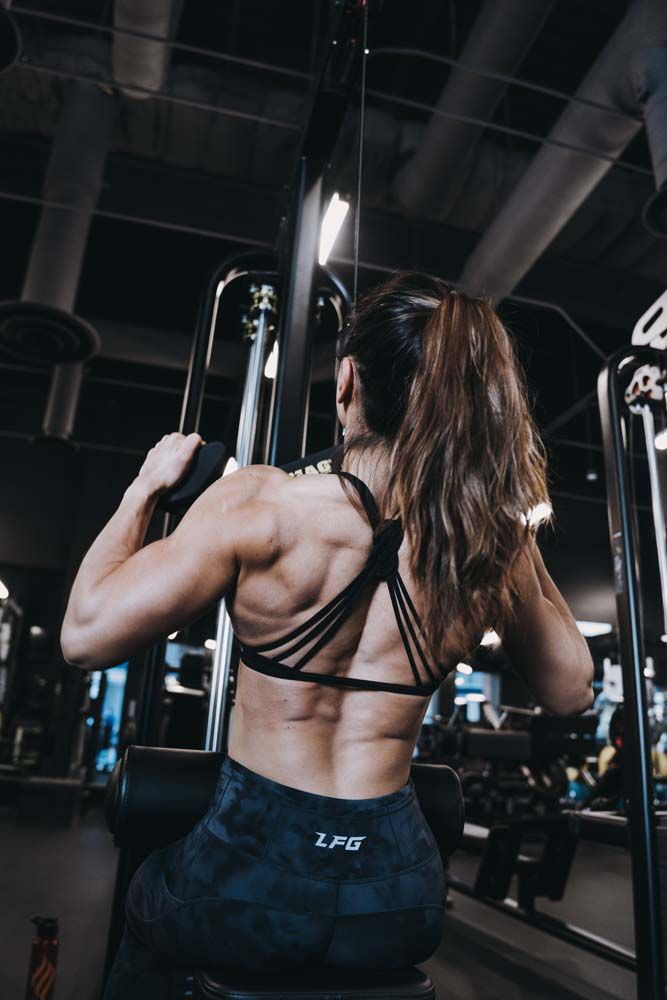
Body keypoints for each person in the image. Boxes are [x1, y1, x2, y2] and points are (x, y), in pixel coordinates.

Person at [61, 272, 594, 997]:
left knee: (149, 905)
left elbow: (85, 636)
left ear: (346, 381)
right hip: (399, 892)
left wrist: (146, 487)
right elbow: (571, 689)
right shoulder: (480, 542)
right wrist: (507, 529)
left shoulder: (260, 504)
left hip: (247, 877)